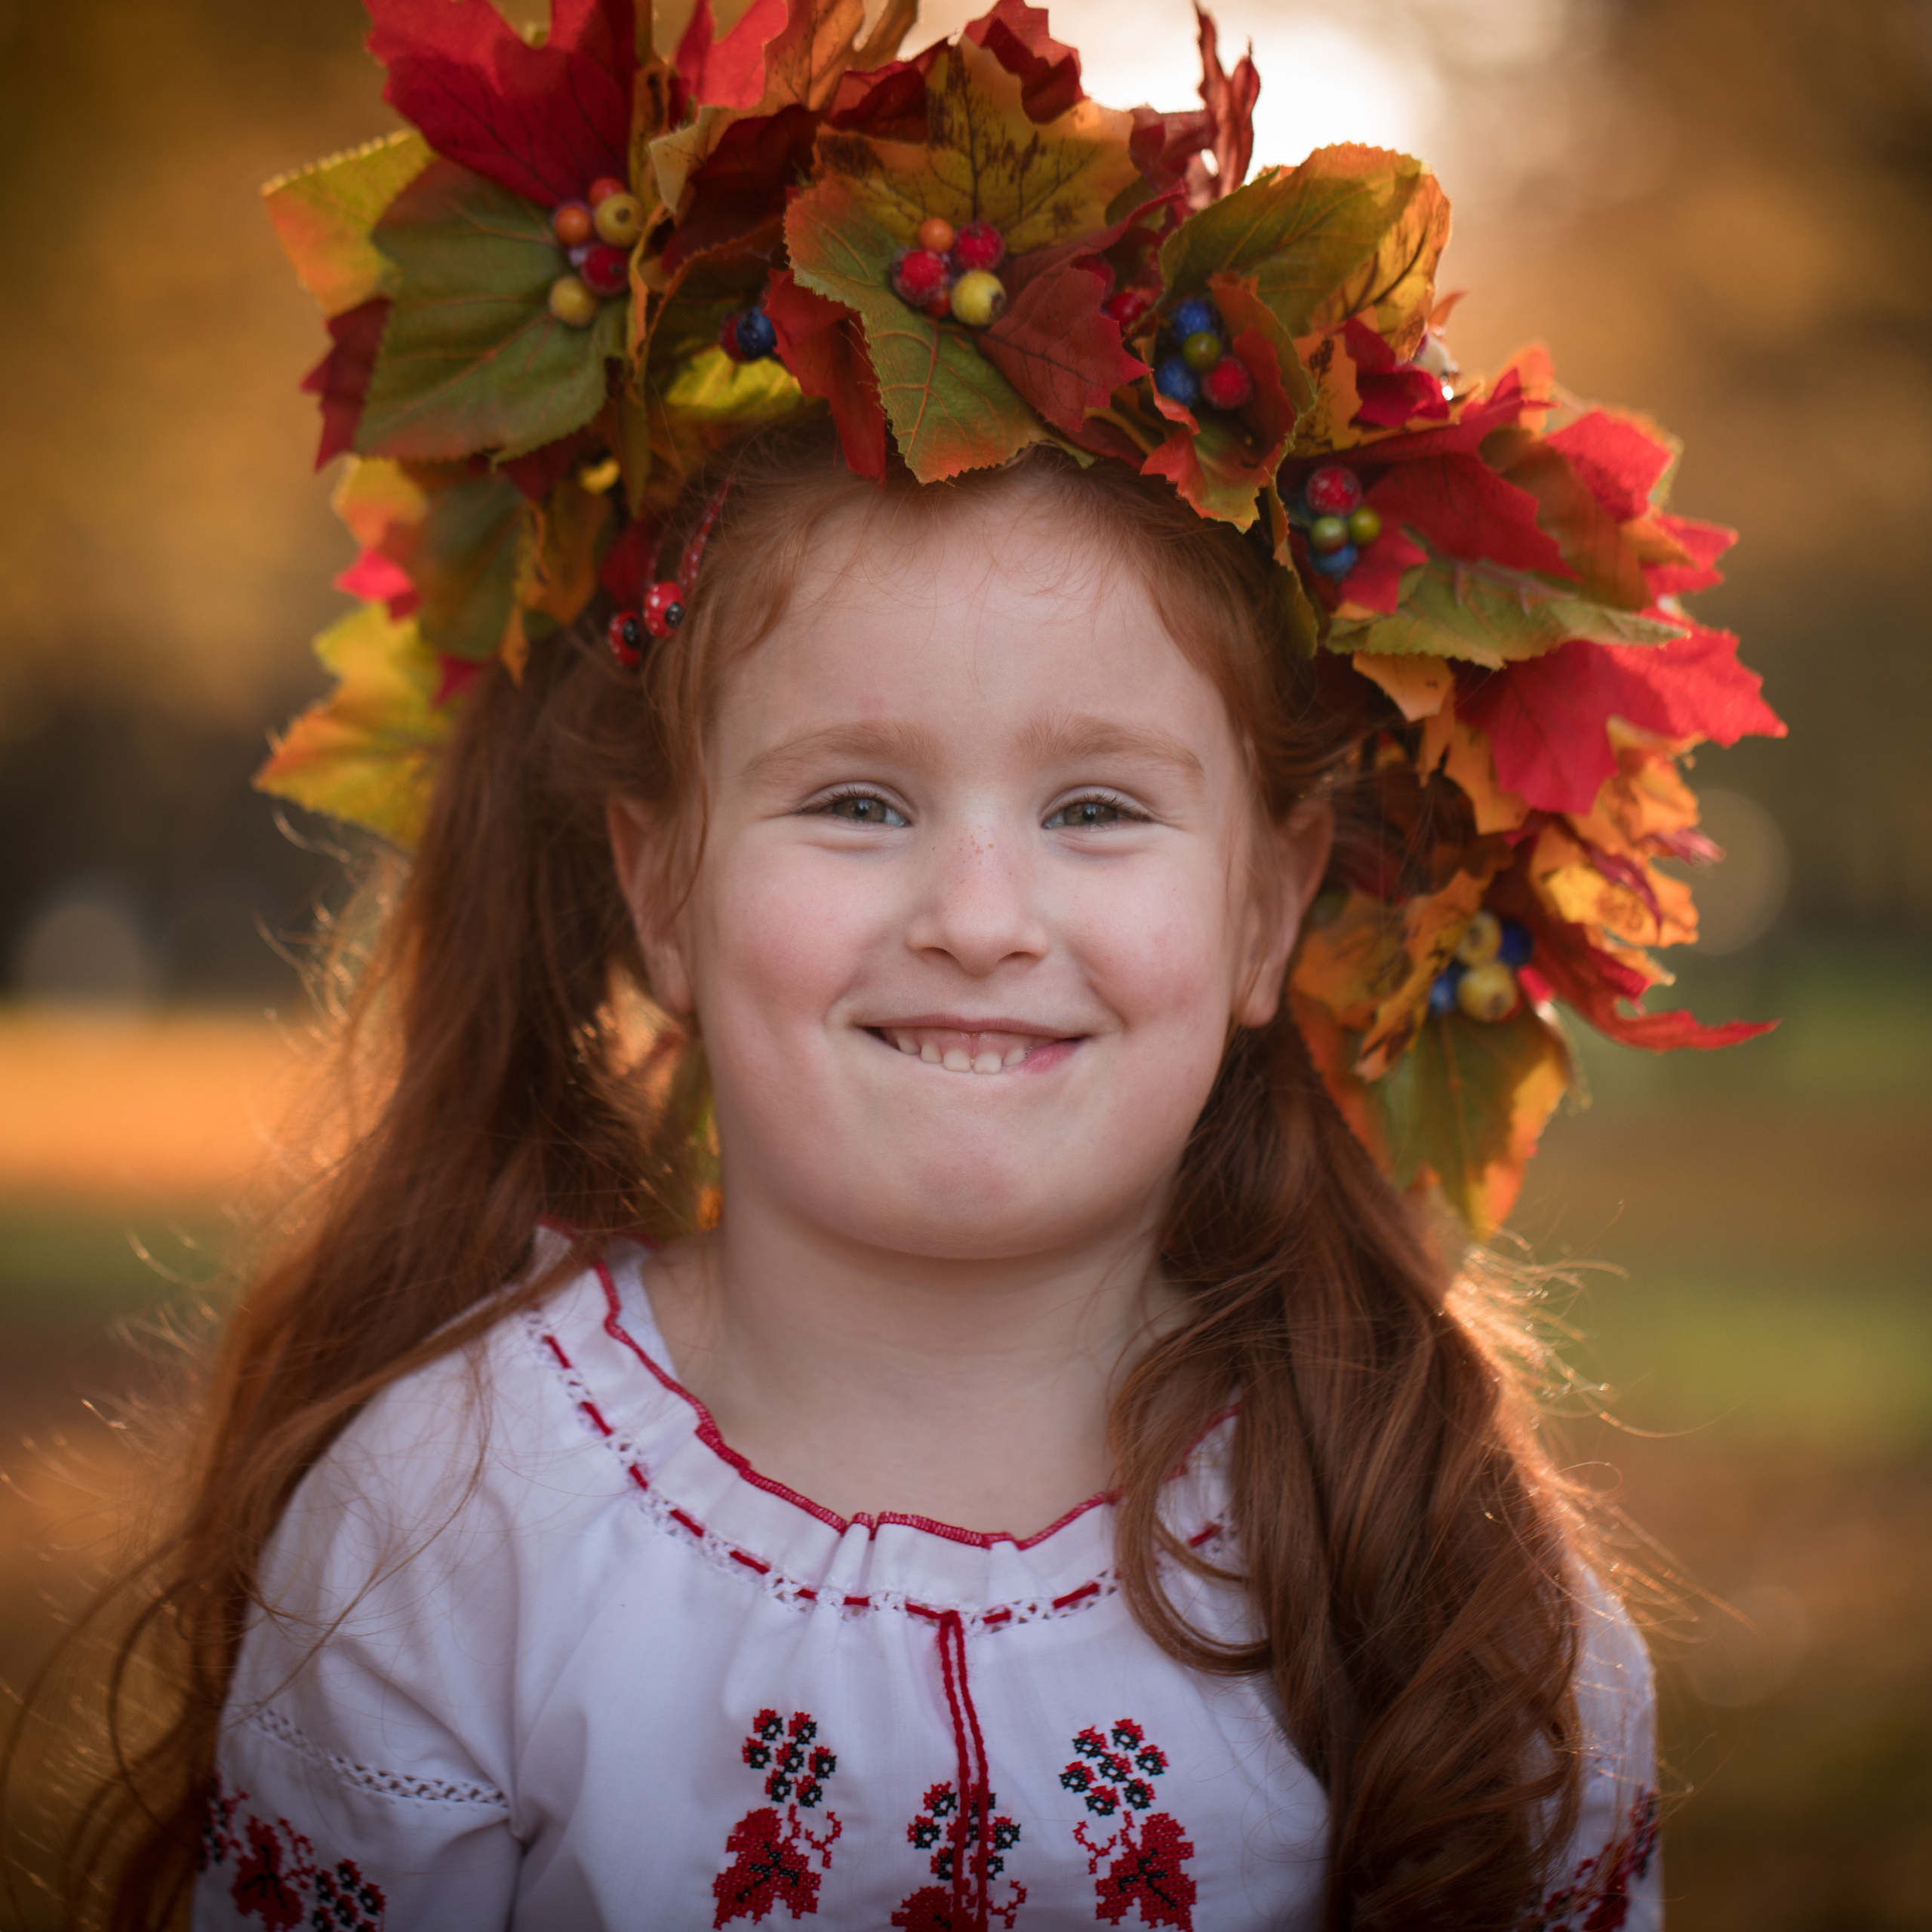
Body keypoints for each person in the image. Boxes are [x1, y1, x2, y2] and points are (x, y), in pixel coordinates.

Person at [56, 0, 1783, 1925]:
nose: (976, 911)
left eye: (1097, 810)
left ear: (1264, 907)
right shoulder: (454, 1520)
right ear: (659, 885)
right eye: (858, 801)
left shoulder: (1430, 1564)